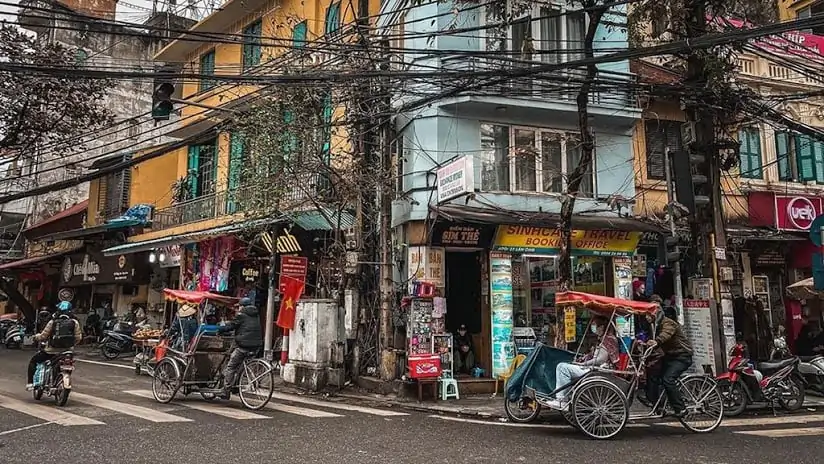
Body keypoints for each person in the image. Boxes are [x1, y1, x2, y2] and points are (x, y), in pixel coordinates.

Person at [549, 316, 620, 410]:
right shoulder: (603, 338)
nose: (593, 329)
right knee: (567, 365)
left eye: (595, 326)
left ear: (602, 327)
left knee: (562, 367)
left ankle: (562, 400)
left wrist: (584, 364)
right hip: (594, 369)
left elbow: (600, 360)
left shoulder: (608, 340)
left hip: (598, 371)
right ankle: (564, 397)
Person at [644, 306, 693, 417]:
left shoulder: (668, 323)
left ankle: (681, 408)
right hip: (670, 356)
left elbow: (665, 335)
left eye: (649, 315)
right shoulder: (654, 326)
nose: (646, 317)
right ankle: (657, 403)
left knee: (668, 379)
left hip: (681, 356)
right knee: (653, 374)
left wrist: (656, 341)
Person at [26, 301, 82, 391]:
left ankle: (30, 383)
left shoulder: (52, 322)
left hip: (51, 351)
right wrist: (70, 346)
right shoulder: (74, 322)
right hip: (67, 352)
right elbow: (78, 338)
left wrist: (35, 337)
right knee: (67, 365)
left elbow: (43, 336)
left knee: (33, 361)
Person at [218, 297, 263, 398]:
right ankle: (235, 386)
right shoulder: (256, 315)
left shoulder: (241, 315)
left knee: (231, 366)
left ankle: (226, 391)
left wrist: (220, 329)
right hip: (256, 346)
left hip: (244, 345)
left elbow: (231, 325)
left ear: (242, 306)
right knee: (240, 366)